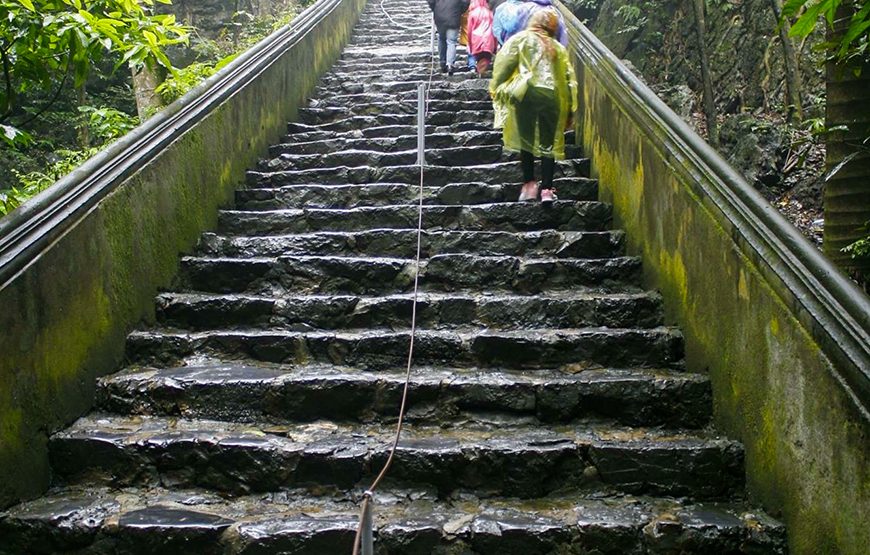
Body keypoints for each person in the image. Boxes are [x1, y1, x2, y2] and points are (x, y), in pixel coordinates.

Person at [489, 8, 577, 203]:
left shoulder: (521, 40)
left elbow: (505, 63)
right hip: (551, 97)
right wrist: (570, 109)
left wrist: (496, 87)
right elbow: (569, 80)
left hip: (526, 94)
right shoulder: (557, 48)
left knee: (526, 140)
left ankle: (529, 185)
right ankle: (547, 189)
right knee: (548, 144)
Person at [428, 0, 471, 75]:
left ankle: (442, 62)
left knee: (441, 39)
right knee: (451, 41)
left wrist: (435, 8)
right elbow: (466, 2)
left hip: (440, 15)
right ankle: (450, 64)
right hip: (454, 15)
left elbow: (431, 1)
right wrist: (459, 10)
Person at [467, 0, 497, 77]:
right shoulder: (490, 13)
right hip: (488, 39)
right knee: (486, 57)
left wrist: (470, 44)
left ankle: (480, 72)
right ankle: (481, 71)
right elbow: (494, 29)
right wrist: (495, 45)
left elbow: (469, 31)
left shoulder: (472, 14)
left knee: (479, 57)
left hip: (476, 39)